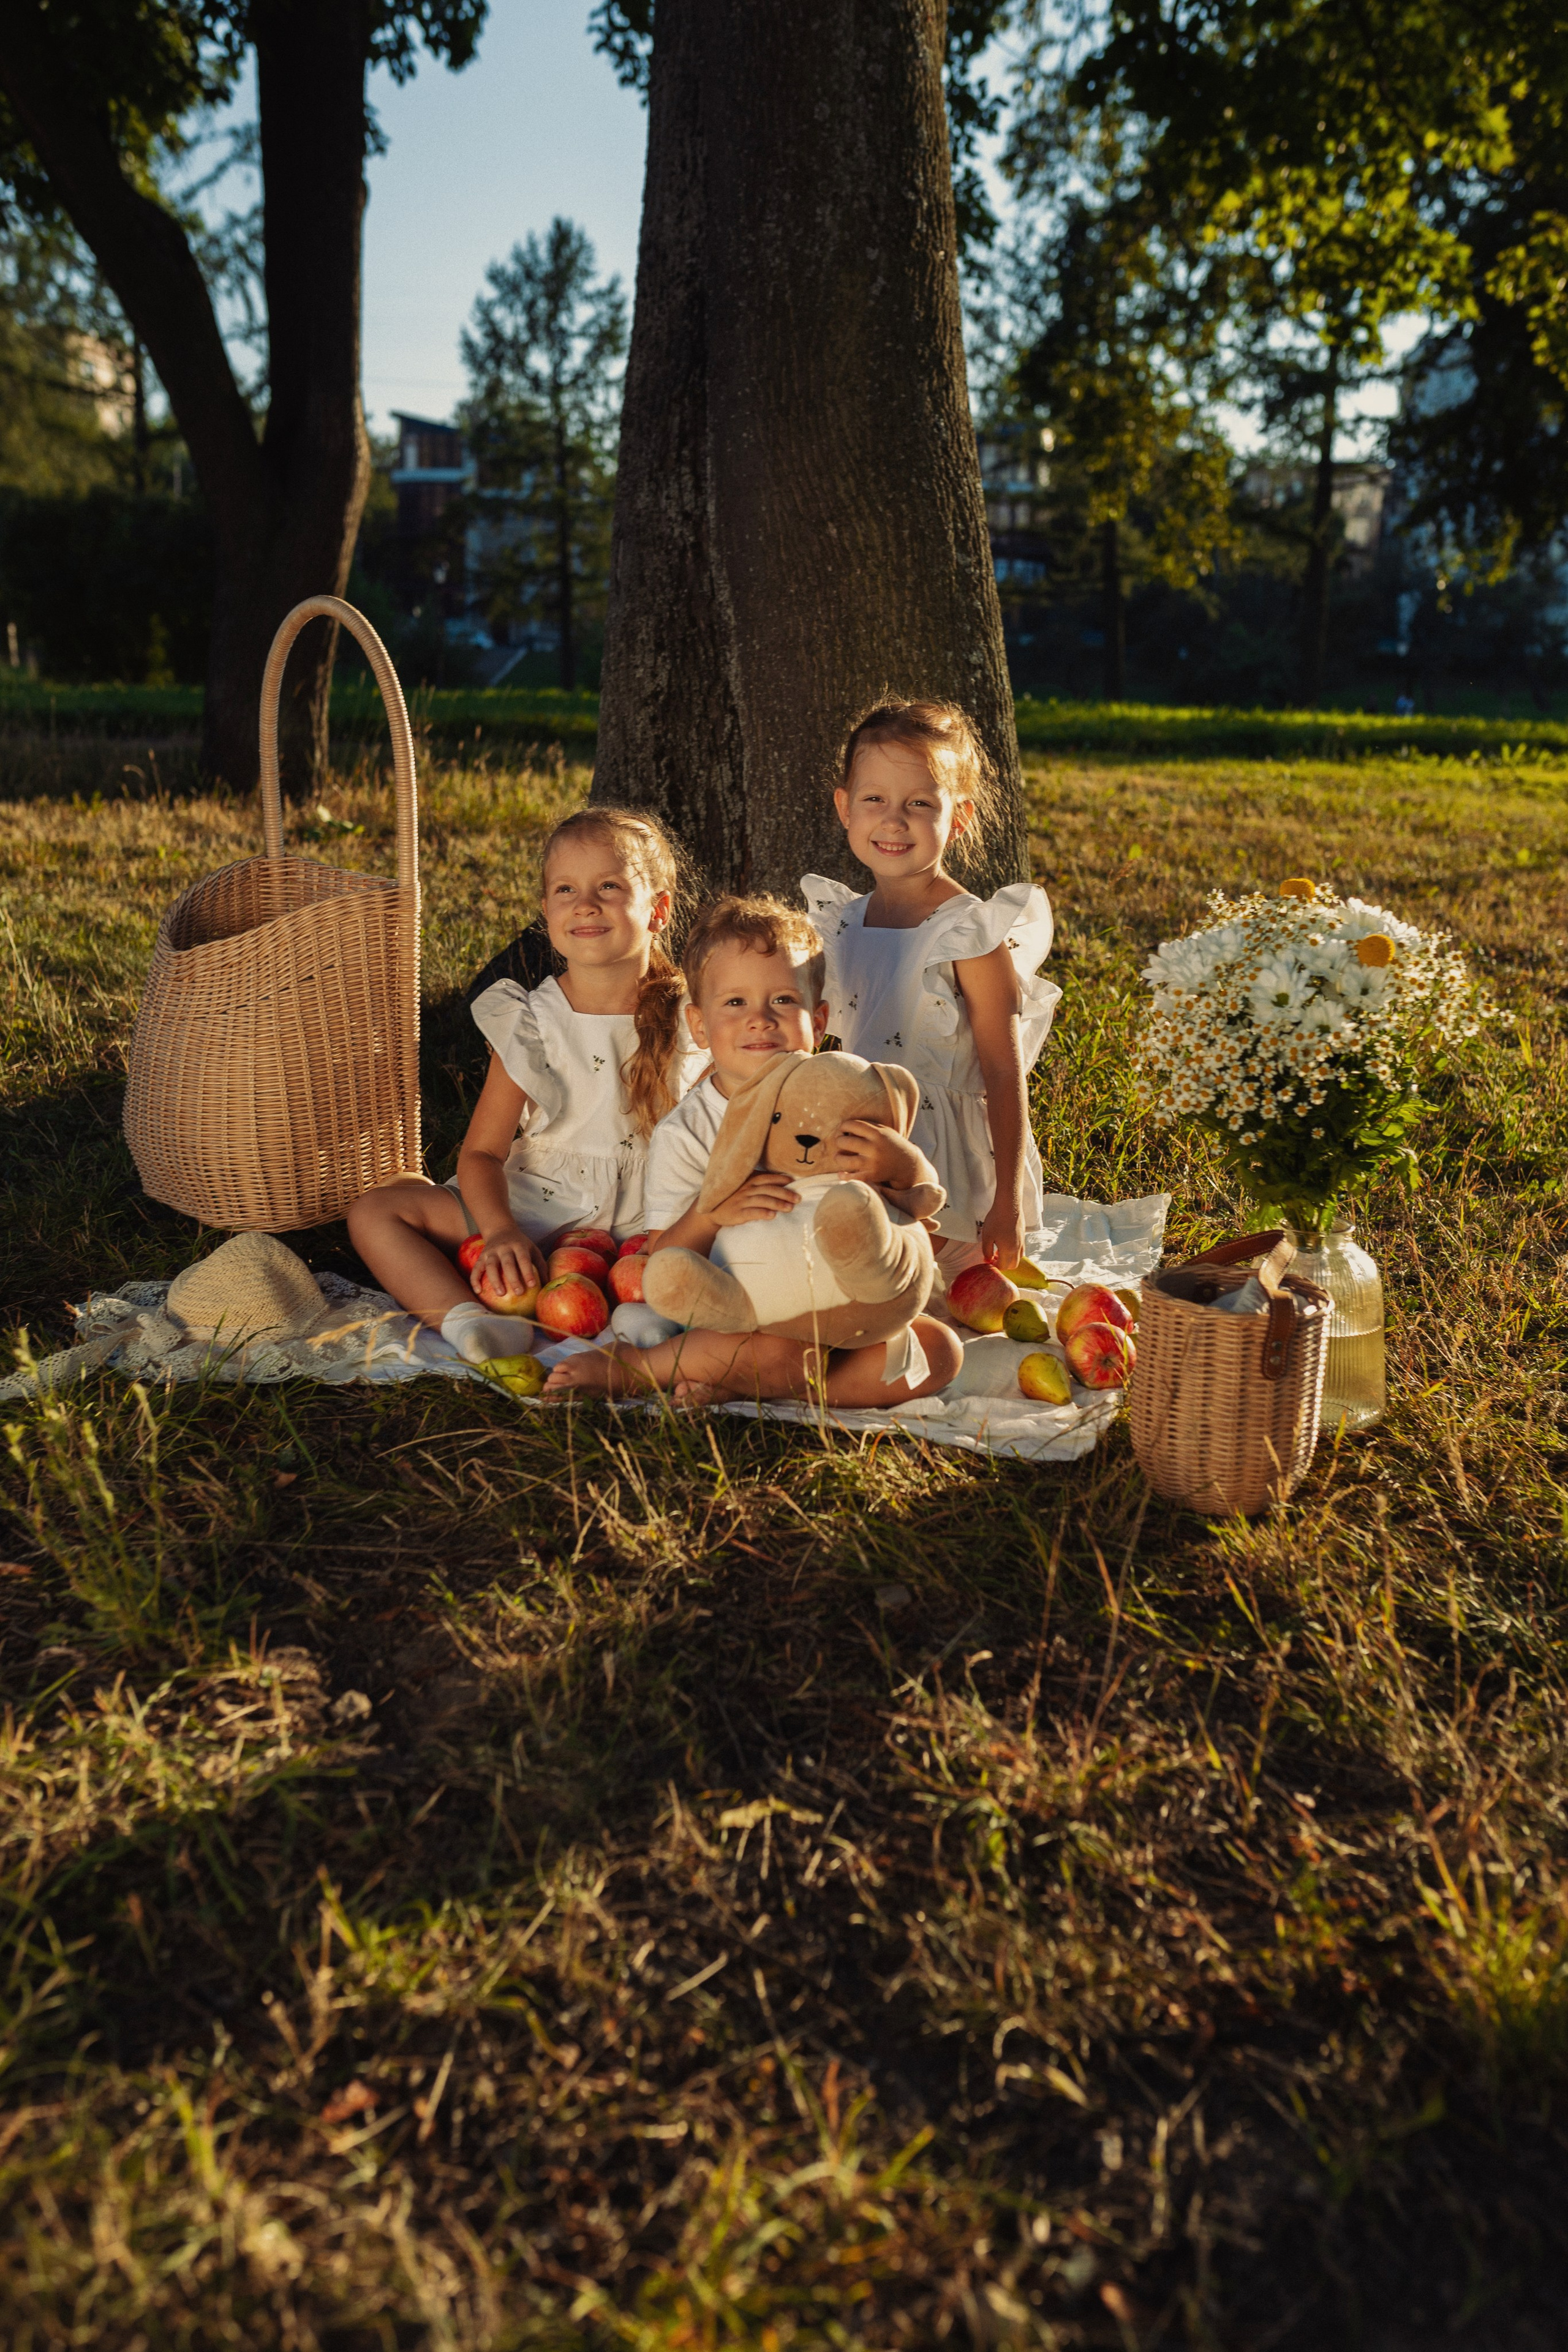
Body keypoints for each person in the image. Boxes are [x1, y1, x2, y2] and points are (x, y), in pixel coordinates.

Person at [543, 894, 962, 1405]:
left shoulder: (844, 1094)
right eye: (735, 1003)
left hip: (851, 1310)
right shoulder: (690, 1131)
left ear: (820, 1017)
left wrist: (899, 1165)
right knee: (781, 1354)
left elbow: (915, 1202)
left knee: (940, 1351)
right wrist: (713, 1212)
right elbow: (665, 1256)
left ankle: (755, 1385)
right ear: (699, 1025)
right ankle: (639, 1370)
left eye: (784, 1000)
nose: (760, 1019)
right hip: (750, 1316)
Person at [347, 805, 702, 1364]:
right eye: (566, 889)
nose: (585, 904)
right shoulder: (532, 1021)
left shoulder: (694, 1015)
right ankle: (469, 1322)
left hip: (655, 1214)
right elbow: (483, 1153)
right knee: (374, 1214)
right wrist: (501, 1232)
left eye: (609, 886)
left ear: (657, 909)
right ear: (545, 911)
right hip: (540, 1204)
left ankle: (646, 1310)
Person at [801, 698, 1059, 1281]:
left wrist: (1007, 1206)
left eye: (920, 804)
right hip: (863, 1144)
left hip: (945, 1171)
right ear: (844, 807)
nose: (894, 822)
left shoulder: (968, 934)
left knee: (912, 1287)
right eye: (875, 800)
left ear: (958, 818)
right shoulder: (845, 924)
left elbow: (1002, 1072)